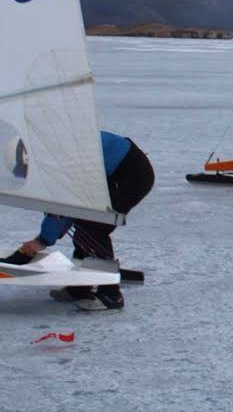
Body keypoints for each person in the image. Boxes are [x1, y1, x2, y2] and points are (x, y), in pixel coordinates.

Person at [1, 130, 154, 311]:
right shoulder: (45, 151)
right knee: (85, 224)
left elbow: (62, 206)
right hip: (114, 171)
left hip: (130, 173)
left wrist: (42, 241)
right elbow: (65, 206)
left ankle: (110, 295)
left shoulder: (57, 162)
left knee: (93, 227)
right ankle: (80, 288)